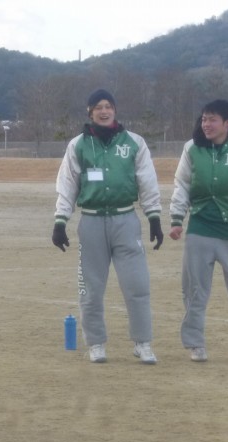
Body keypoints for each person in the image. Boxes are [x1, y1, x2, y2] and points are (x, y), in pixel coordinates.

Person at [52, 88, 164, 364]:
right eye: (99, 107)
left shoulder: (134, 142)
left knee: (137, 285)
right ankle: (96, 343)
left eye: (108, 106)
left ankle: (142, 343)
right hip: (91, 222)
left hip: (125, 221)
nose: (104, 111)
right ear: (90, 112)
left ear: (115, 110)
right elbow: (68, 184)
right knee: (90, 289)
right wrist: (60, 221)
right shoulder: (77, 145)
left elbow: (147, 180)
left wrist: (154, 217)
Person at [169, 99, 228, 362]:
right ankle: (195, 343)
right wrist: (176, 218)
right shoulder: (191, 148)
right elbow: (182, 184)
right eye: (204, 119)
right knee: (195, 289)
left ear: (227, 123)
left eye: (212, 119)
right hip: (200, 228)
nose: (206, 124)